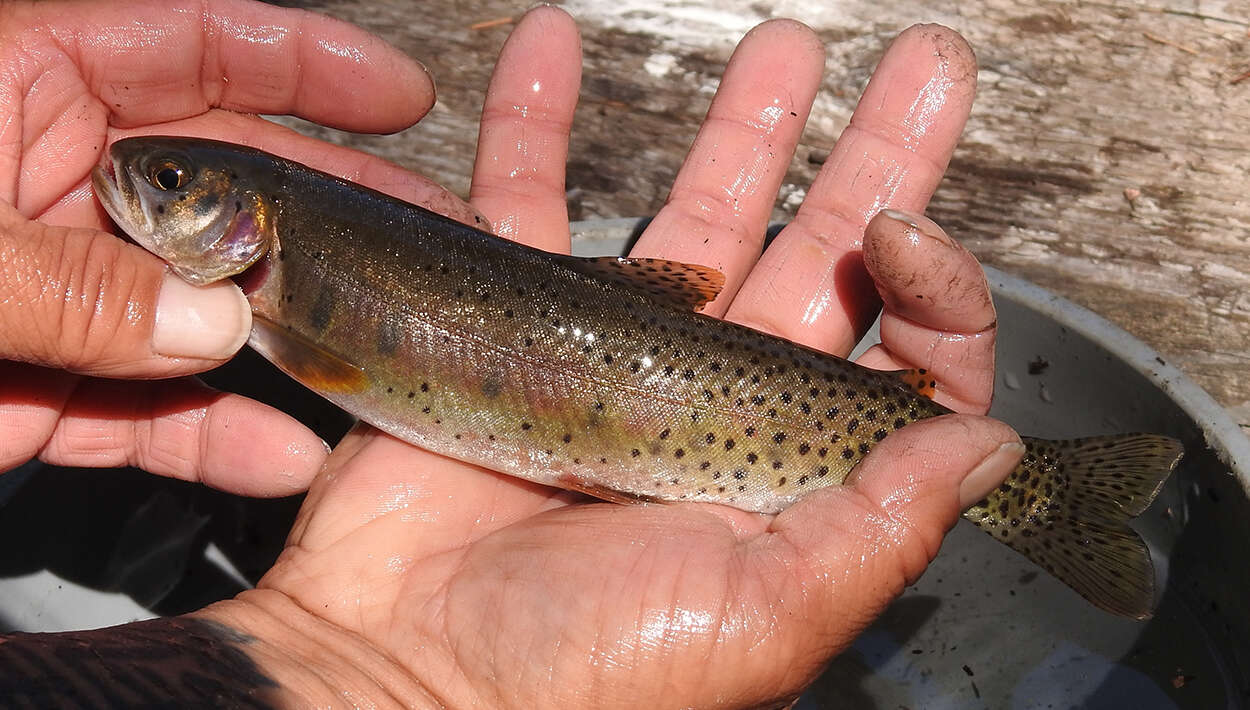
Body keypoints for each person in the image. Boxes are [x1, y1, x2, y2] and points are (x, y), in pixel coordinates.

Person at [0, 1, 1020, 706]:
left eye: (171, 182)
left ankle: (1035, 490)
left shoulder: (281, 279)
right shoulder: (272, 261)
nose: (134, 180)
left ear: (251, 223)